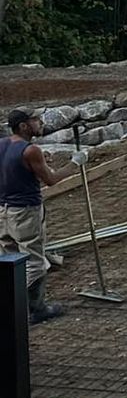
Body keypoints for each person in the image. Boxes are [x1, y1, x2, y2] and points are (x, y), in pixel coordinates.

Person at [2, 109, 63, 323]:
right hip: (25, 211)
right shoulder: (30, 150)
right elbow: (51, 180)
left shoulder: (2, 144)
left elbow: (13, 168)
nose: (40, 123)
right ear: (24, 126)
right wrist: (75, 164)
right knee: (34, 261)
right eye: (35, 120)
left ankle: (11, 309)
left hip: (3, 211)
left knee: (10, 260)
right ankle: (36, 309)